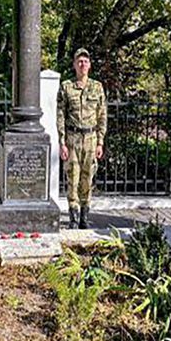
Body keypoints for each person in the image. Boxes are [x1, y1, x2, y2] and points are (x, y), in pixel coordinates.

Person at [57, 48, 107, 229]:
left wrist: (100, 141)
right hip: (72, 138)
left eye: (85, 61)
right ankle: (73, 217)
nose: (82, 64)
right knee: (73, 177)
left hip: (91, 138)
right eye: (79, 61)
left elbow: (102, 115)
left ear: (89, 65)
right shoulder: (66, 87)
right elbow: (60, 115)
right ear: (74, 65)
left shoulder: (97, 87)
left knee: (88, 178)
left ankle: (85, 217)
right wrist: (62, 142)